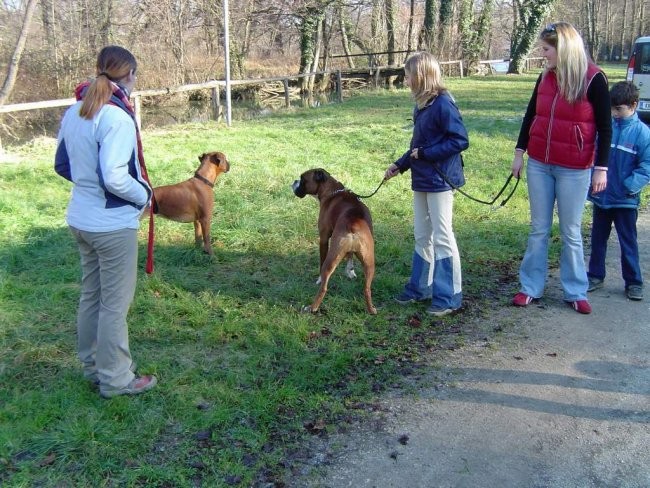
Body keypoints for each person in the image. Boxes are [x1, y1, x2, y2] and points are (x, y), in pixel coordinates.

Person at [54, 46, 157, 398]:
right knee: (114, 304)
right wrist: (144, 195)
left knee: (91, 295)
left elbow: (63, 166)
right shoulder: (116, 118)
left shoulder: (74, 111)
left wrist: (88, 189)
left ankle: (93, 366)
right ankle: (116, 378)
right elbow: (114, 177)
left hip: (80, 219)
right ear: (129, 75)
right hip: (111, 227)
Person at [511, 22, 612, 315]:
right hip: (540, 164)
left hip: (575, 168)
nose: (543, 55)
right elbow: (531, 114)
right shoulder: (545, 77)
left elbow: (606, 129)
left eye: (546, 49)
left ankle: (575, 290)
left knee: (571, 231)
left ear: (563, 48)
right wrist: (520, 153)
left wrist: (601, 168)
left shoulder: (594, 79)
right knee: (538, 229)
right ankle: (530, 287)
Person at [384, 51, 469, 317]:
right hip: (420, 178)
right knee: (422, 234)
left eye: (408, 75)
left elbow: (460, 140)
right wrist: (400, 164)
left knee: (443, 236)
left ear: (421, 76)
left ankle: (450, 296)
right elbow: (417, 145)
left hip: (441, 181)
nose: (405, 80)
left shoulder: (444, 104)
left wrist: (427, 154)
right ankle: (421, 287)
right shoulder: (421, 105)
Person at [587, 81, 650, 301]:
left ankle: (633, 282)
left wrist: (629, 187)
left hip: (625, 201)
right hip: (602, 196)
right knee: (597, 239)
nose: (614, 113)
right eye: (612, 109)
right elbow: (594, 155)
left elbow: (647, 166)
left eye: (619, 109)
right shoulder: (607, 128)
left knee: (628, 242)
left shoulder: (643, 134)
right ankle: (595, 275)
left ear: (633, 105)